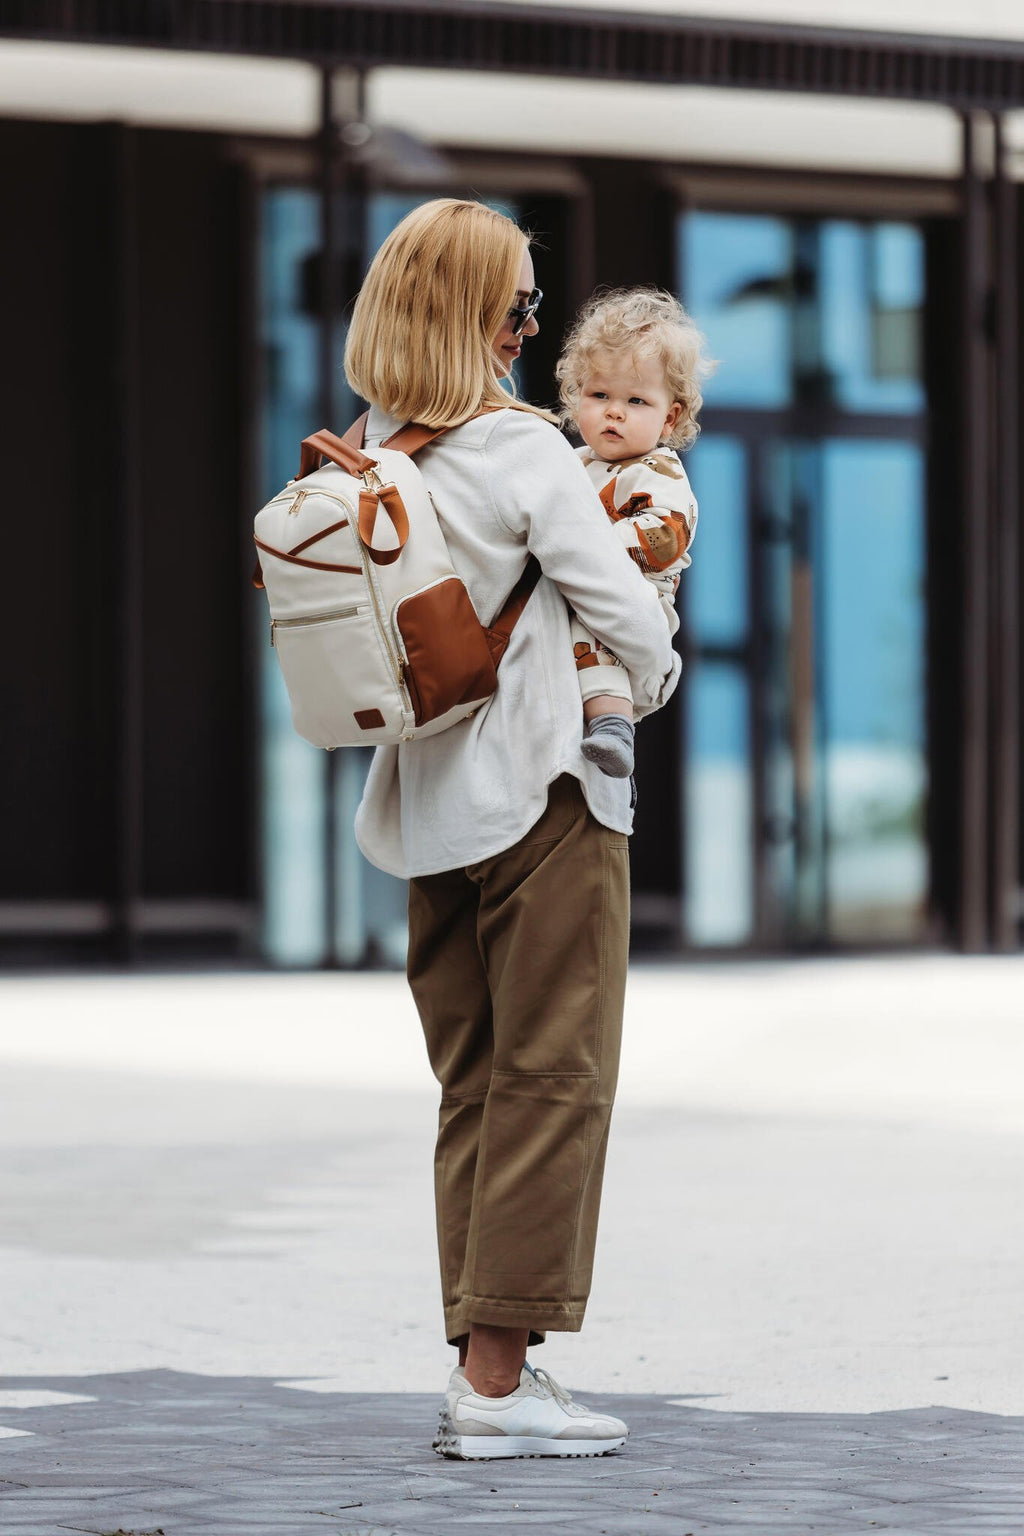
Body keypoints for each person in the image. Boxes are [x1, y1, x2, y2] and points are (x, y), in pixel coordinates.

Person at [344, 199, 680, 1460]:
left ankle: (483, 1370)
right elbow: (620, 604)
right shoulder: (525, 450)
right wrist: (649, 677)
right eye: (520, 309)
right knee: (554, 1080)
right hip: (546, 793)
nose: (528, 332)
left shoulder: (373, 451)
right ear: (476, 318)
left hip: (428, 812)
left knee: (476, 1089)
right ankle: (496, 1388)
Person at [555, 288, 707, 780]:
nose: (614, 411)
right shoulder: (571, 463)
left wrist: (581, 545)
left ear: (670, 417)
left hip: (638, 594)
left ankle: (615, 728)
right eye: (600, 395)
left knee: (594, 633)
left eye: (635, 400)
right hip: (578, 585)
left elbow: (667, 534)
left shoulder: (657, 470)